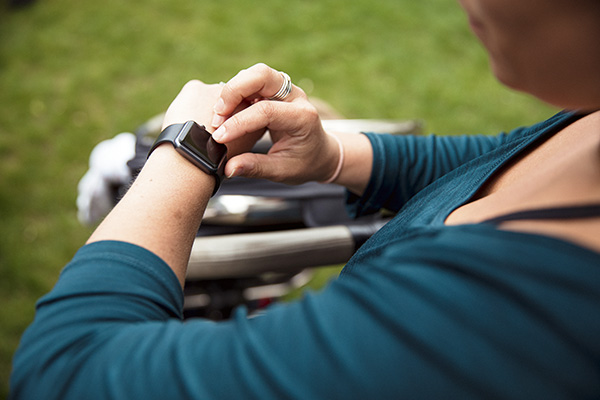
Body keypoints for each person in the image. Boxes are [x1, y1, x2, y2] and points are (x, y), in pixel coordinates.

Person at [9, 0, 600, 398]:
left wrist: (183, 149)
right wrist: (334, 157)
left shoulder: (504, 311)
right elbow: (504, 160)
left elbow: (67, 369)